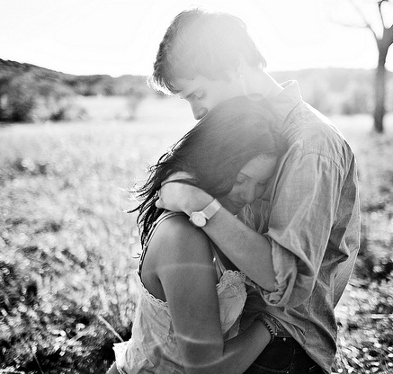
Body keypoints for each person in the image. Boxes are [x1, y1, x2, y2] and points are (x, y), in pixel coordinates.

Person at [151, 8, 361, 374]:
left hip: (283, 350)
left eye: (198, 93)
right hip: (234, 334)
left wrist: (200, 205)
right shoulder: (243, 133)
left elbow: (285, 280)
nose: (197, 113)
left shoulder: (310, 145)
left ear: (233, 65)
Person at [107, 96, 287, 374]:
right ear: (214, 162)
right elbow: (207, 370)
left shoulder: (230, 220)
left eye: (261, 183)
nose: (250, 195)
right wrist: (273, 323)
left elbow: (275, 273)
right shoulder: (182, 237)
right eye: (239, 179)